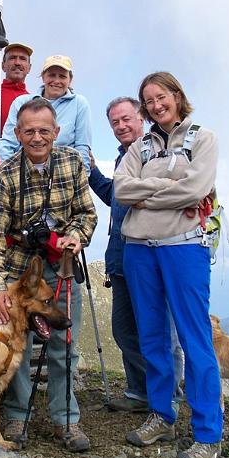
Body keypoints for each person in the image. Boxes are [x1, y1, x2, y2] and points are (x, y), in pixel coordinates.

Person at [114, 72, 223, 458]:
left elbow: (196, 191)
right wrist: (168, 187)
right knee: (152, 337)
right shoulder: (140, 145)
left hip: (184, 248)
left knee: (196, 339)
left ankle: (208, 433)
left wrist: (149, 190)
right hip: (139, 249)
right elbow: (121, 190)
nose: (156, 105)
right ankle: (161, 414)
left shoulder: (203, 138)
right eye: (149, 100)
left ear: (177, 96)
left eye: (162, 96)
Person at [0, 98, 97, 452]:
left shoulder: (73, 163)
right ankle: (17, 414)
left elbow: (86, 213)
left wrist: (75, 236)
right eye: (29, 131)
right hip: (19, 269)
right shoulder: (3, 175)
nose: (37, 137)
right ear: (17, 133)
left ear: (56, 132)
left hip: (60, 264)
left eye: (44, 130)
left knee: (64, 340)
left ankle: (65, 419)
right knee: (17, 343)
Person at [89, 97, 183, 413]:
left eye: (126, 119)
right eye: (115, 122)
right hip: (120, 255)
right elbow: (116, 199)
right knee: (125, 329)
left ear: (140, 117)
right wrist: (91, 172)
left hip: (151, 253)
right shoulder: (121, 158)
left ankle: (168, 397)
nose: (121, 126)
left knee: (158, 329)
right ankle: (142, 393)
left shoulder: (154, 152)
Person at [0, 55, 92, 173]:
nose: (56, 81)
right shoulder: (21, 102)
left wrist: (82, 178)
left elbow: (82, 147)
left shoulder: (80, 103)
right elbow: (8, 143)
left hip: (64, 176)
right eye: (51, 75)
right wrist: (8, 174)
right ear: (43, 77)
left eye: (62, 76)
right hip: (24, 174)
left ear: (70, 79)